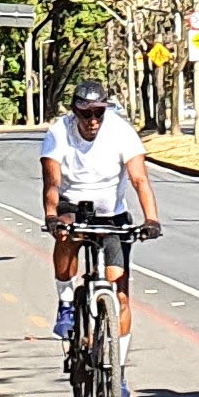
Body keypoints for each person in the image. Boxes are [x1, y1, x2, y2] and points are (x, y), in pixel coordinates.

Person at [40, 78, 161, 342]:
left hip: (112, 215)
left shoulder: (121, 131)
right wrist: (51, 216)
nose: (93, 120)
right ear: (75, 111)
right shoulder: (59, 132)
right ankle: (66, 302)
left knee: (120, 294)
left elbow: (140, 179)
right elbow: (52, 182)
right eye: (86, 114)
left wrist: (151, 219)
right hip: (72, 205)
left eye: (99, 113)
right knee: (64, 231)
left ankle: (118, 372)